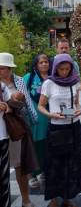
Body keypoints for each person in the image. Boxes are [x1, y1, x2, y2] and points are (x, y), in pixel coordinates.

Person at [38, 54, 81, 207]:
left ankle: (68, 197)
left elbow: (77, 103)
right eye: (61, 69)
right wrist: (50, 114)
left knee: (72, 164)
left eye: (67, 69)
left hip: (73, 127)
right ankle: (53, 198)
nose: (64, 72)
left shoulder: (75, 82)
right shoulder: (49, 83)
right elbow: (41, 106)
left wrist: (79, 110)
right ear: (55, 67)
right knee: (55, 165)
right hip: (56, 128)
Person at [0, 53, 38, 207]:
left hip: (15, 129)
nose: (0, 71)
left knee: (19, 165)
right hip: (1, 131)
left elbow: (26, 103)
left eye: (2, 68)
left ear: (9, 69)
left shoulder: (19, 81)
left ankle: (25, 199)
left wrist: (12, 106)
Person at [23, 54, 51, 188]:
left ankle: (42, 170)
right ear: (36, 64)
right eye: (41, 62)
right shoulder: (28, 78)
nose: (44, 64)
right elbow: (21, 94)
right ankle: (31, 175)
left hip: (48, 116)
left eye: (46, 62)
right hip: (33, 116)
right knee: (32, 145)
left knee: (44, 145)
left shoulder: (53, 77)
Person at [0, 82, 11, 207]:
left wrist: (6, 107)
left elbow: (11, 107)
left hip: (2, 136)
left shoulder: (1, 86)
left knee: (3, 178)